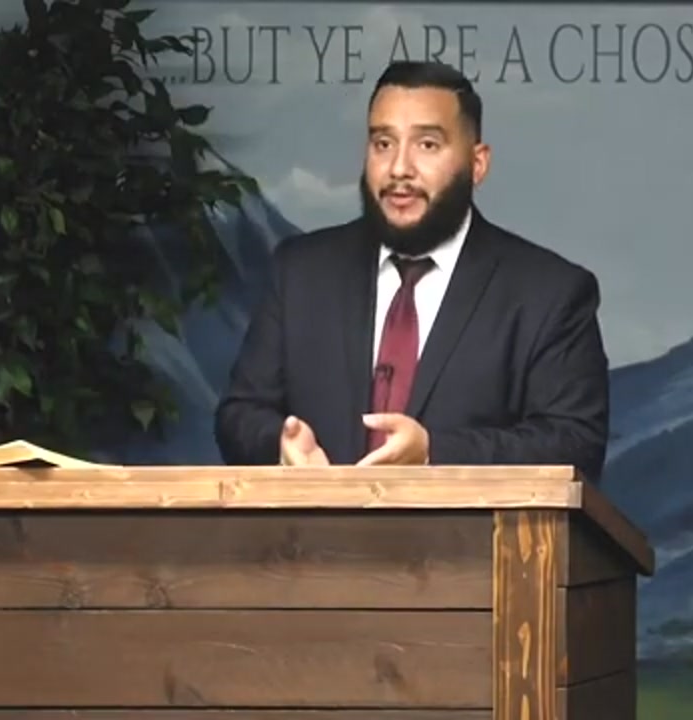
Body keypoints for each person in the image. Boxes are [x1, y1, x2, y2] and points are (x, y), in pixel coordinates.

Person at [213, 60, 610, 482]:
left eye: (427, 145)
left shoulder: (549, 294)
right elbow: (240, 414)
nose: (399, 168)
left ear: (477, 164)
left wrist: (433, 452)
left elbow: (575, 444)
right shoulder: (301, 272)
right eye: (383, 143)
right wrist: (280, 445)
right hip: (315, 525)